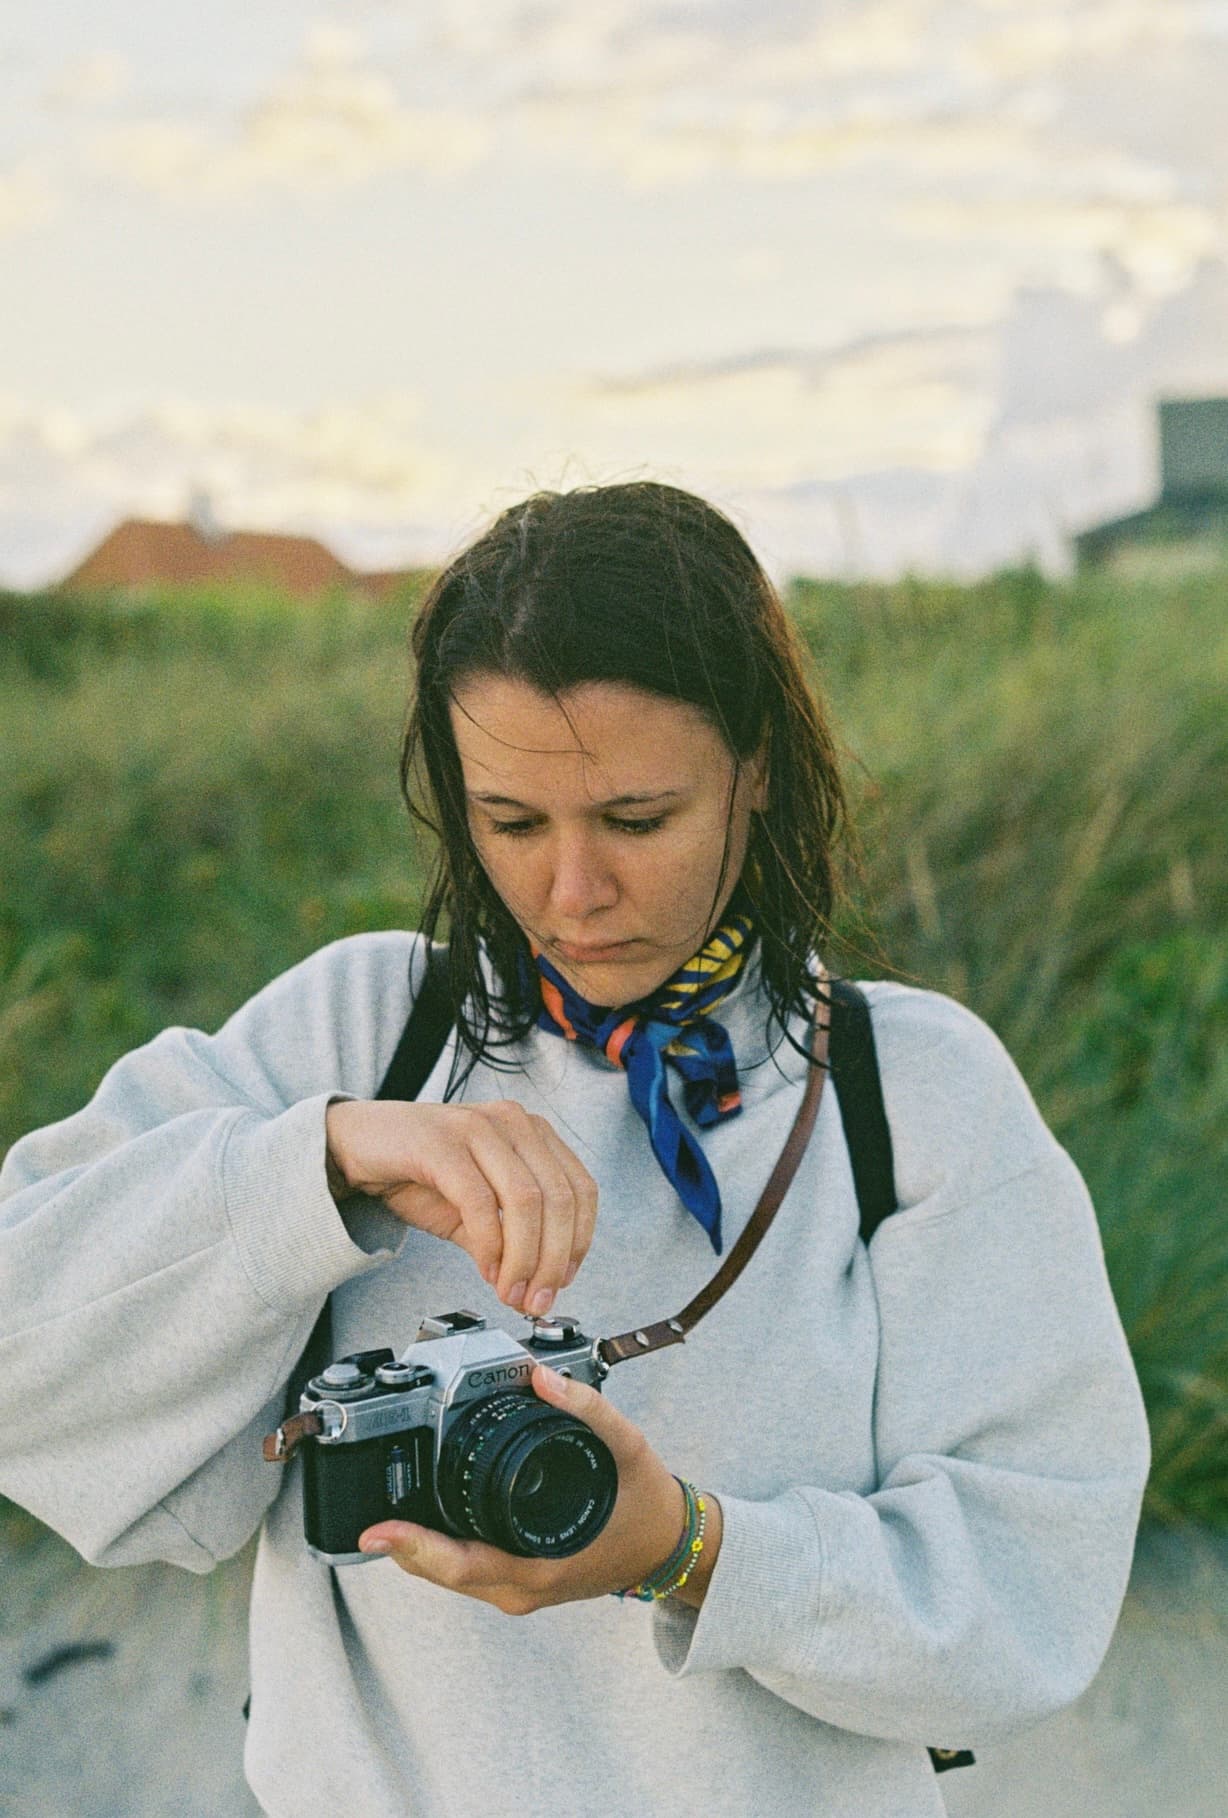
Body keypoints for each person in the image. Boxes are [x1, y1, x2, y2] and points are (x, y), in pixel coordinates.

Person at [0, 481, 1150, 1818]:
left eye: (638, 820)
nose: (573, 891)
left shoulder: (911, 1094)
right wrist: (317, 1169)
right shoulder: (360, 1030)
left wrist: (687, 1550)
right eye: (512, 822)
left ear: (758, 767)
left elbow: (1033, 1592)